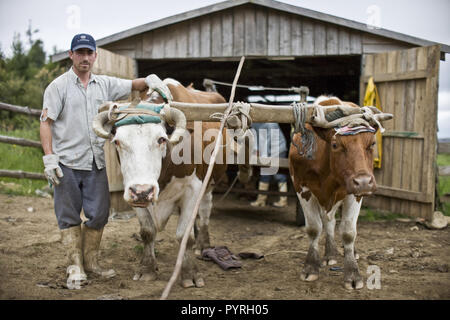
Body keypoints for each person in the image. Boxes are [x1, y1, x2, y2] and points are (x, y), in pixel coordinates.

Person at [40, 33, 170, 283]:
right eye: (80, 53)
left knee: (99, 214)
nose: (85, 58)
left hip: (95, 163)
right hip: (66, 163)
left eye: (89, 53)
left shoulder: (105, 84)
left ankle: (92, 263)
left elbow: (136, 85)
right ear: (71, 55)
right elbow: (46, 123)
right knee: (68, 216)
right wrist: (50, 158)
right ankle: (75, 266)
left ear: (95, 56)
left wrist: (151, 79)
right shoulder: (58, 87)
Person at [250, 122, 289, 208]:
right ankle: (261, 200)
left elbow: (268, 140)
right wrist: (256, 151)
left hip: (278, 148)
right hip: (266, 148)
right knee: (265, 172)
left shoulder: (270, 124)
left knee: (277, 173)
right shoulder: (254, 123)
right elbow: (255, 137)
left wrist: (264, 157)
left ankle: (283, 200)